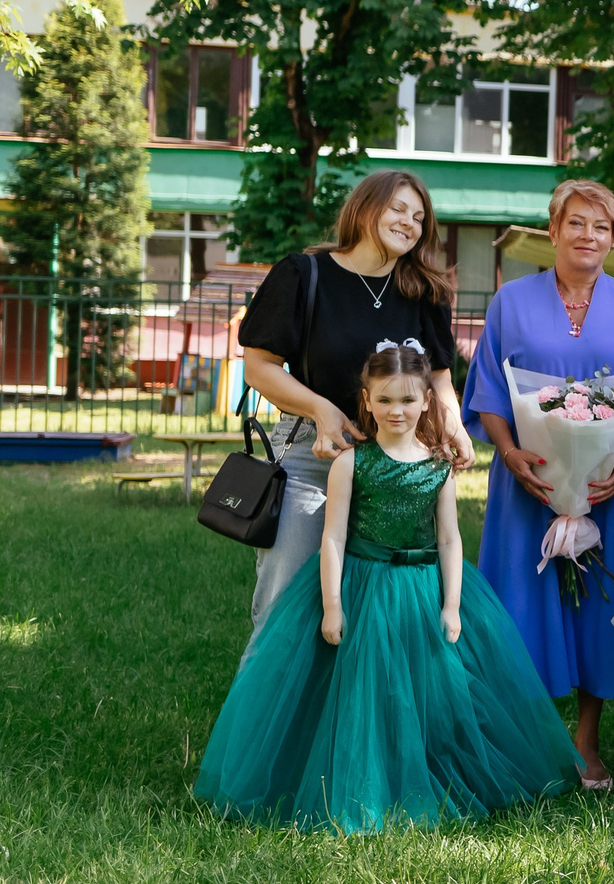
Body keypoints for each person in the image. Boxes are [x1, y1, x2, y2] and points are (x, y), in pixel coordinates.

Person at [194, 347, 582, 834]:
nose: (396, 410)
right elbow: (332, 536)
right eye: (384, 399)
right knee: (362, 689)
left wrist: (453, 604)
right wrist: (332, 605)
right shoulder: (352, 463)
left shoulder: (438, 467)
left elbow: (449, 538)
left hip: (422, 589)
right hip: (363, 585)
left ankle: (427, 771)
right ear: (366, 400)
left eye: (407, 399)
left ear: (426, 402)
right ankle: (364, 781)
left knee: (428, 687)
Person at [465, 179, 614, 790]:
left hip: (609, 487)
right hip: (526, 483)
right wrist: (508, 453)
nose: (589, 236)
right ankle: (519, 741)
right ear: (553, 231)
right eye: (577, 224)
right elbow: (489, 387)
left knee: (597, 610)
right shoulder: (510, 300)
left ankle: (586, 742)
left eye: (602, 227)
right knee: (520, 603)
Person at [239, 168, 468, 630]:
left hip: (396, 471)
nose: (410, 222)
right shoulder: (304, 275)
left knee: (372, 618)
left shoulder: (426, 291)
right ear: (365, 209)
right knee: (285, 610)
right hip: (312, 459)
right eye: (398, 208)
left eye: (420, 217)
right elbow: (258, 366)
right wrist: (322, 409)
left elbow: (439, 379)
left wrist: (454, 428)